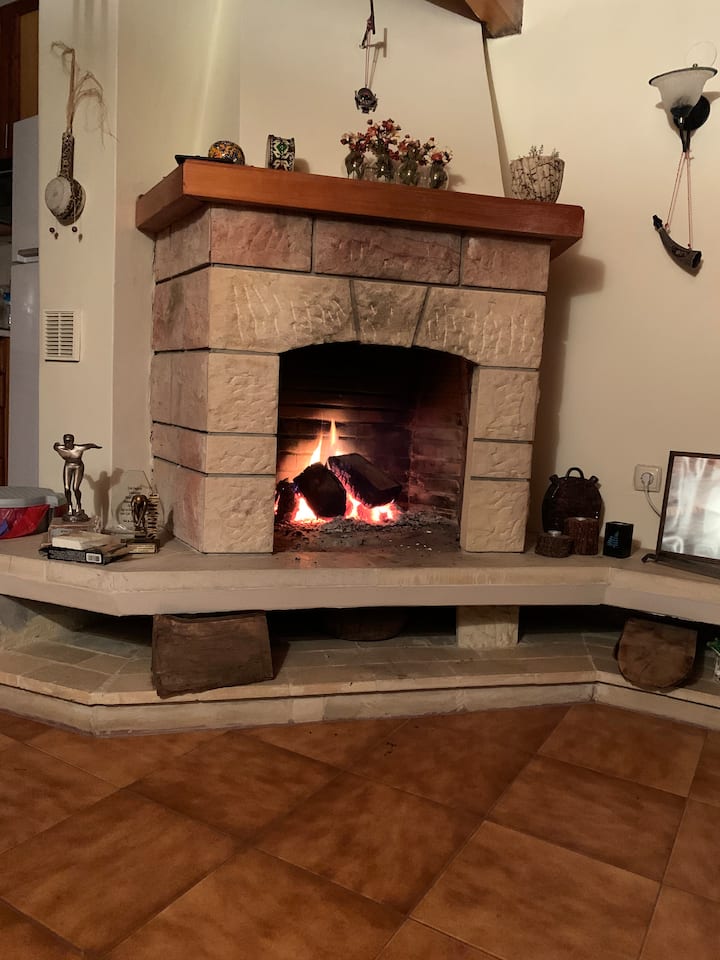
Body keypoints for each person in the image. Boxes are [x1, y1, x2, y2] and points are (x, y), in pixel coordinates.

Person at [53, 434, 102, 518]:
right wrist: (56, 444)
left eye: (69, 441)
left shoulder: (79, 448)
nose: (67, 443)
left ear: (72, 441)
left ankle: (78, 504)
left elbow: (89, 445)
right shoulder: (60, 448)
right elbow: (55, 446)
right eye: (65, 441)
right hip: (68, 466)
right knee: (67, 488)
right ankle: (69, 505)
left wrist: (96, 446)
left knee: (75, 488)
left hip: (78, 466)